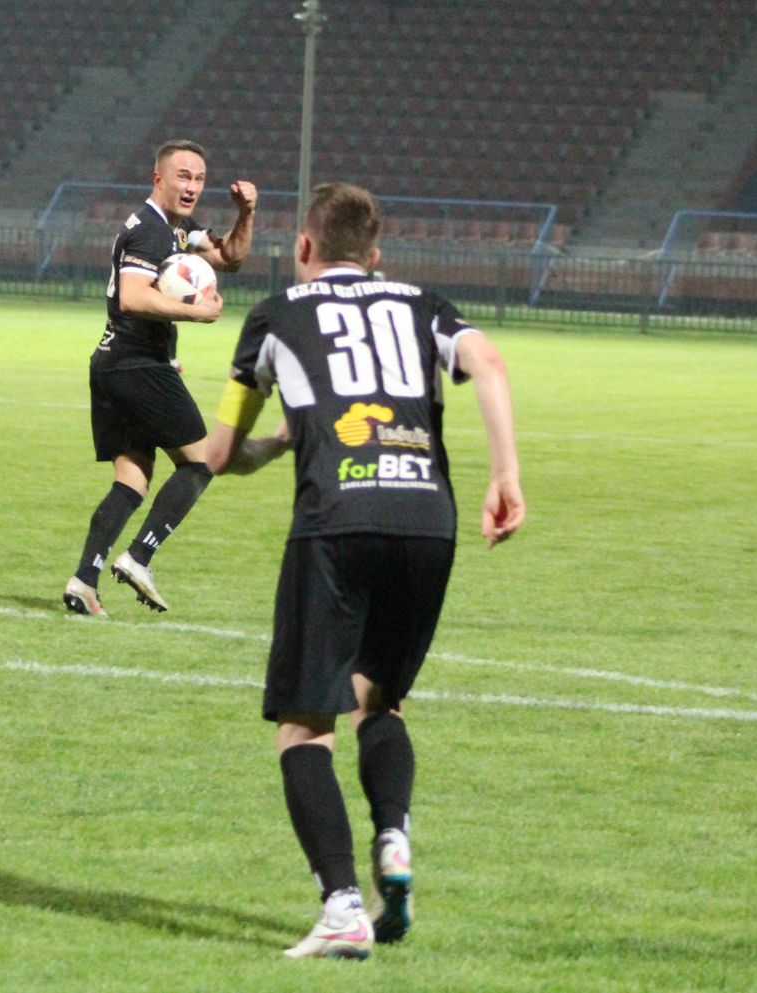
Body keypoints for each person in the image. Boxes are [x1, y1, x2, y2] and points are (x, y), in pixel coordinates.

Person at [206, 182, 525, 959]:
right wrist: (505, 474)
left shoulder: (275, 315)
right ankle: (393, 836)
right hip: (427, 521)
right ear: (375, 256)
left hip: (336, 521)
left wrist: (275, 446)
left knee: (303, 725)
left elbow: (220, 455)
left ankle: (343, 905)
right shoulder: (422, 303)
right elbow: (488, 361)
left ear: (304, 246)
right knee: (380, 700)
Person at [62, 139, 257, 617]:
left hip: (113, 366)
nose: (192, 187)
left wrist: (246, 213)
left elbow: (230, 257)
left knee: (131, 481)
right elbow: (132, 297)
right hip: (138, 365)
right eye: (183, 176)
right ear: (158, 179)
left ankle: (84, 582)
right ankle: (139, 557)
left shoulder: (178, 230)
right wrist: (195, 313)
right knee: (204, 462)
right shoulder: (149, 230)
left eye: (199, 179)